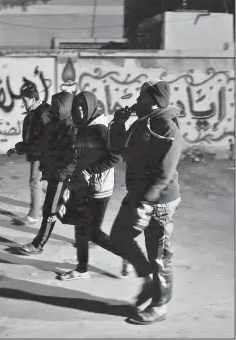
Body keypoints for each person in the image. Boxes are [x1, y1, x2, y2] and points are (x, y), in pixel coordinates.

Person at [108, 80, 182, 325]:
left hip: (159, 200)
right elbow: (118, 150)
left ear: (153, 102)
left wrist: (147, 203)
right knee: (119, 235)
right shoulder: (142, 123)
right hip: (138, 194)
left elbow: (165, 173)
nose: (137, 101)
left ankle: (159, 307)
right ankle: (149, 279)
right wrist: (119, 123)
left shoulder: (167, 127)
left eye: (141, 98)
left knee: (160, 255)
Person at [58, 91, 123, 281]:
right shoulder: (85, 126)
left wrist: (89, 171)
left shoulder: (100, 129)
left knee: (93, 233)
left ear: (90, 107)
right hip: (84, 185)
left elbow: (115, 157)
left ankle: (127, 254)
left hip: (99, 189)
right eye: (76, 107)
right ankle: (81, 269)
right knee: (80, 229)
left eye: (82, 107)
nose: (78, 111)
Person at [14, 91, 77, 255]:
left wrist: (61, 171)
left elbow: (73, 156)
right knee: (61, 207)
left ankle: (38, 244)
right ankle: (87, 235)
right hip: (54, 172)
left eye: (57, 105)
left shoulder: (72, 127)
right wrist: (21, 148)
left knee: (50, 210)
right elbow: (42, 144)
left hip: (62, 175)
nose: (52, 108)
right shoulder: (55, 123)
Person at [7, 86, 51, 226]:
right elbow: (31, 139)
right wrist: (18, 148)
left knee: (35, 182)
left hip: (42, 155)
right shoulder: (38, 112)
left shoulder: (42, 114)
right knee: (42, 182)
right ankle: (62, 198)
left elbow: (42, 140)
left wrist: (21, 148)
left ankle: (33, 216)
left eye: (25, 101)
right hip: (40, 153)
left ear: (33, 99)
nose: (23, 104)